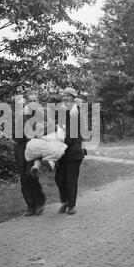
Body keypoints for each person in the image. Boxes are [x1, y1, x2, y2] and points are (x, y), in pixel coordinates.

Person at [13, 91, 46, 216]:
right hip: (21, 147)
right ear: (27, 102)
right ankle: (30, 206)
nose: (33, 103)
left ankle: (39, 202)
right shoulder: (21, 114)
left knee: (30, 175)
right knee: (23, 179)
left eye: (35, 100)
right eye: (30, 101)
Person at [55, 87, 85, 215]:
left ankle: (71, 206)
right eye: (64, 96)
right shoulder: (64, 111)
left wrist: (60, 147)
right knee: (59, 178)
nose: (65, 98)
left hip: (73, 151)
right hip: (62, 150)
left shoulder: (75, 111)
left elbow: (72, 134)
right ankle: (66, 201)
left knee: (70, 179)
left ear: (73, 98)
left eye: (68, 96)